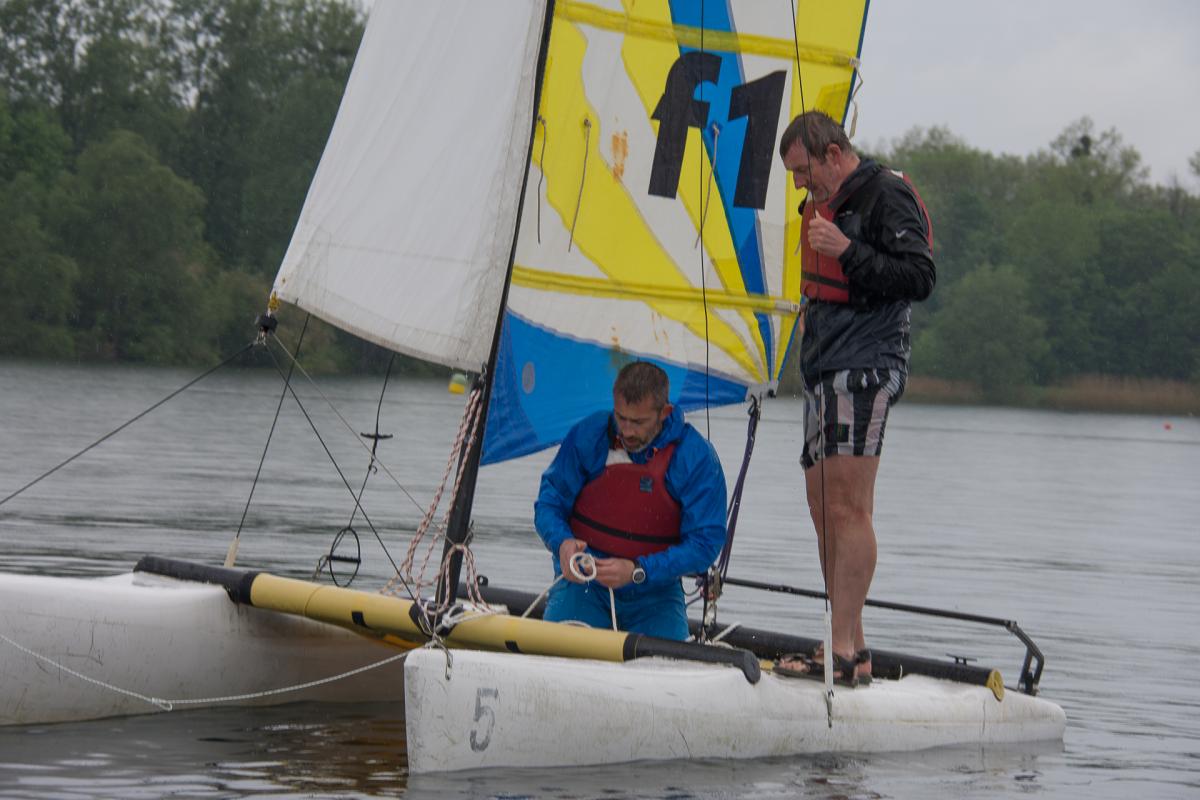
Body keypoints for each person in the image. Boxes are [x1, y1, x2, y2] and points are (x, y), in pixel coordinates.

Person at [775, 110, 935, 685]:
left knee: (849, 507)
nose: (799, 184)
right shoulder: (825, 202)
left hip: (867, 362)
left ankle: (839, 649)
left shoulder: (885, 193)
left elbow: (918, 277)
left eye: (803, 171)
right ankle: (854, 645)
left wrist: (845, 250)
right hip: (823, 364)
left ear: (833, 153)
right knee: (822, 506)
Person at [534, 362, 727, 641]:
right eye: (621, 418)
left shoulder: (695, 457)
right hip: (585, 583)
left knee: (668, 663)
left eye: (638, 422)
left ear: (665, 413)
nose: (626, 431)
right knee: (554, 647)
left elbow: (705, 544)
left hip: (655, 592)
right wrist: (562, 543)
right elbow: (549, 504)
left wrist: (639, 571)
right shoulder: (590, 436)